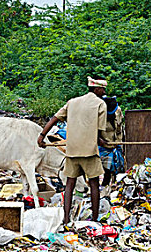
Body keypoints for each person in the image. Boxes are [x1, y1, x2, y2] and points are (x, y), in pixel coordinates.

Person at [37, 76, 107, 224]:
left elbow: (54, 119)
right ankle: (94, 219)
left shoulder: (72, 102)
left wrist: (42, 136)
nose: (104, 91)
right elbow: (100, 133)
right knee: (94, 184)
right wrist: (105, 143)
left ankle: (66, 218)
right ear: (96, 89)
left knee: (70, 184)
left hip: (72, 151)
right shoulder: (100, 104)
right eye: (103, 89)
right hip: (89, 152)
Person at [99, 95, 125, 188]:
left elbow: (120, 128)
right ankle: (104, 185)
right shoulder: (99, 114)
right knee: (105, 169)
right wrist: (100, 140)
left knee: (119, 167)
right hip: (104, 146)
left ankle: (116, 185)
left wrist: (119, 142)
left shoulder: (118, 111)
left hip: (116, 144)